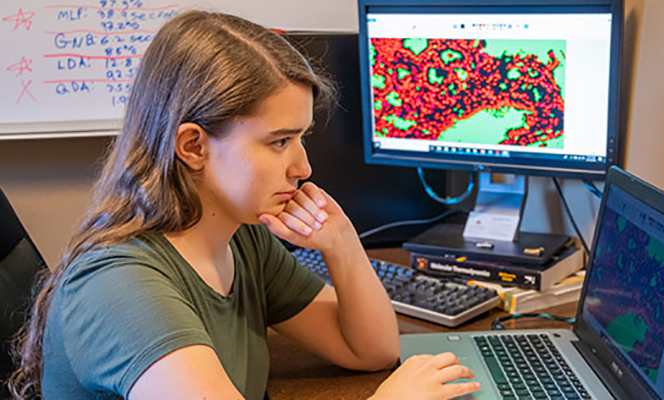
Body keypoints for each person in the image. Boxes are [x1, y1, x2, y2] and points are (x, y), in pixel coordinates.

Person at [7, 11, 481, 400]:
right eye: (279, 142)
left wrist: (341, 243)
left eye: (301, 137)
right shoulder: (121, 288)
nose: (303, 167)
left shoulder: (241, 239)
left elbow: (370, 351)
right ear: (193, 146)